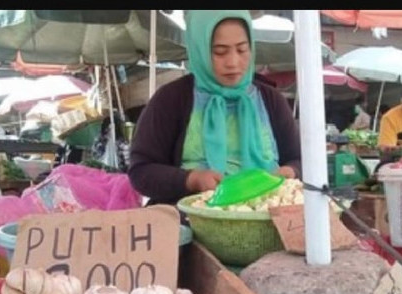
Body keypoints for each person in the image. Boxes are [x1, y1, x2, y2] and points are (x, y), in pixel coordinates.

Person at [129, 10, 301, 206]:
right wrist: (191, 180)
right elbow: (141, 171)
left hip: (265, 217)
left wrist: (289, 172)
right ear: (199, 49)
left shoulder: (271, 100)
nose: (233, 62)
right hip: (190, 225)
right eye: (219, 52)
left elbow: (299, 160)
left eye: (242, 50)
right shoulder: (171, 99)